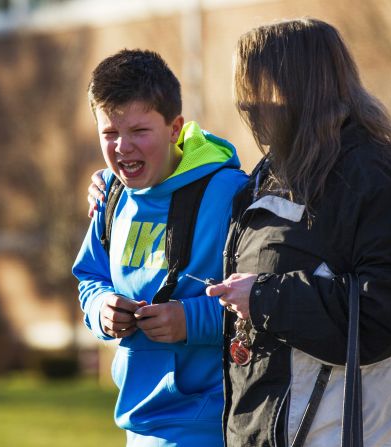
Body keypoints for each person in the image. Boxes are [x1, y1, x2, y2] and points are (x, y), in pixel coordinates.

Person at [204, 18, 391, 447]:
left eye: (258, 90)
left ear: (301, 88)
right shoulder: (271, 172)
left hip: (347, 431)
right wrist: (117, 187)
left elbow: (387, 314)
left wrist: (265, 297)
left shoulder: (374, 175)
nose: (247, 106)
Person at [72, 49, 247, 447]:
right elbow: (90, 277)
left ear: (175, 128)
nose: (122, 148)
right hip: (138, 427)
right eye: (110, 134)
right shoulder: (111, 195)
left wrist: (191, 321)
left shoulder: (228, 193)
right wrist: (102, 310)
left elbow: (269, 297)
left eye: (139, 131)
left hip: (215, 426)